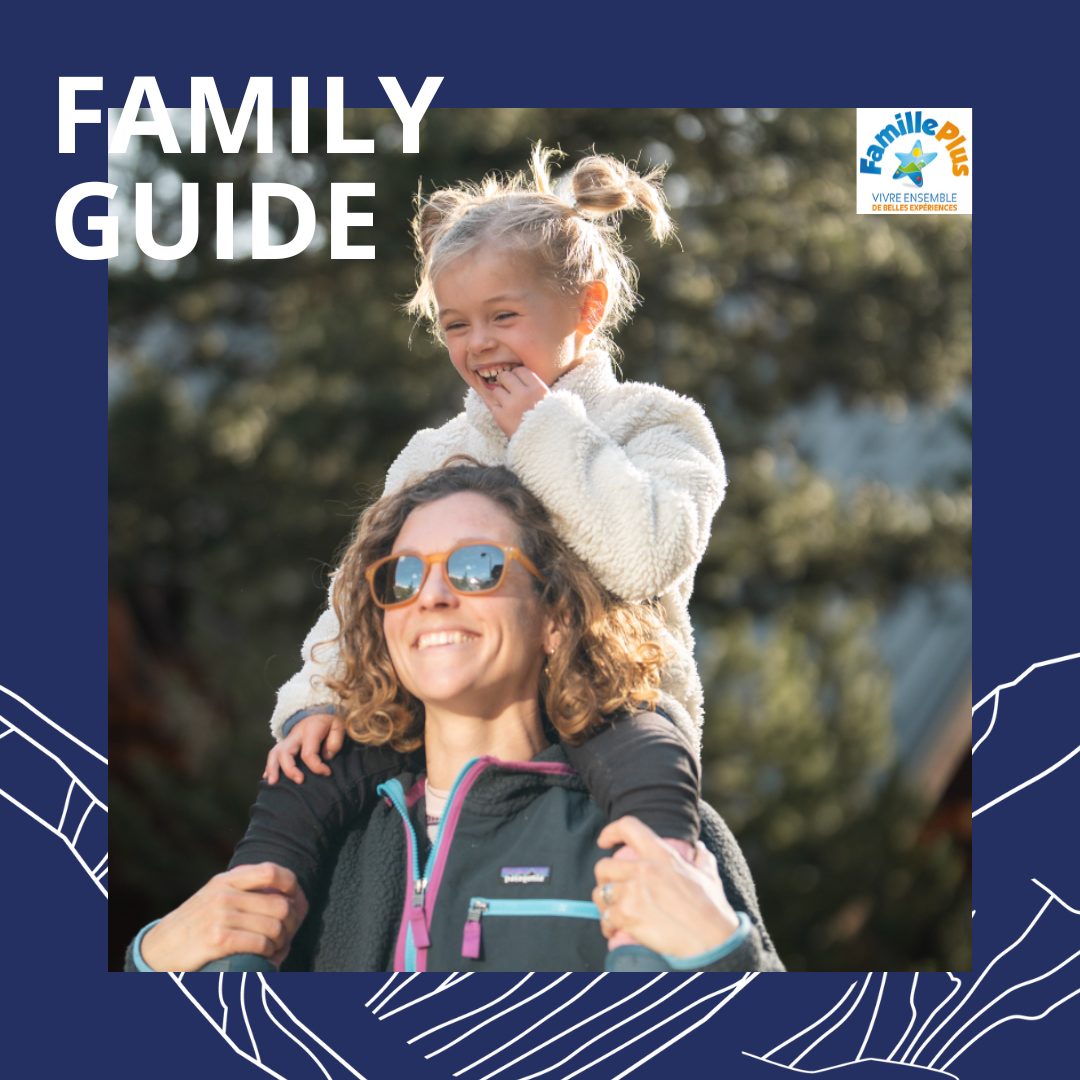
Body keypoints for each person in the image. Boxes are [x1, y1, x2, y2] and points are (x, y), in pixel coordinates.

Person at [263, 146, 726, 956]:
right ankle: (244, 919)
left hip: (610, 699)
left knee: (653, 760)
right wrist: (314, 702)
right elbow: (366, 594)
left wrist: (545, 431)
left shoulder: (655, 425)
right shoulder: (434, 452)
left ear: (588, 305)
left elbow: (645, 554)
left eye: (503, 317)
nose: (479, 343)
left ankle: (654, 946)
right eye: (455, 324)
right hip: (444, 707)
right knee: (305, 773)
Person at [127, 466, 781, 973]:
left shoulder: (647, 834)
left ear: (554, 617)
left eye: (477, 567)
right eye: (403, 577)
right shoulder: (323, 842)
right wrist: (150, 964)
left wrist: (720, 956)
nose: (433, 596)